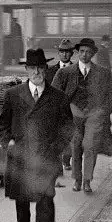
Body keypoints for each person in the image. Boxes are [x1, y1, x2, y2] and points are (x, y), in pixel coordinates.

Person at [0, 49, 74, 222]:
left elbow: (68, 127)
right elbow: (2, 123)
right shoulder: (13, 95)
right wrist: (8, 143)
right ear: (27, 70)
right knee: (22, 198)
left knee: (45, 197)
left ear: (46, 69)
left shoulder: (58, 97)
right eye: (32, 68)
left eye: (40, 67)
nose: (36, 72)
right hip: (21, 155)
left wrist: (56, 148)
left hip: (46, 157)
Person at [52, 37, 112, 193]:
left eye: (88, 52)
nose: (85, 55)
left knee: (90, 146)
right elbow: (54, 94)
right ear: (77, 52)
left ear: (93, 54)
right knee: (76, 145)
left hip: (94, 113)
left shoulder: (103, 73)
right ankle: (77, 179)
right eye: (82, 51)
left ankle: (87, 180)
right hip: (74, 112)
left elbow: (110, 95)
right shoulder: (65, 72)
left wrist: (104, 111)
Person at [46, 38, 76, 174]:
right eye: (62, 52)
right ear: (58, 53)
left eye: (67, 52)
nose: (64, 55)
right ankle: (58, 166)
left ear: (71, 54)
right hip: (56, 109)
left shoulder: (77, 71)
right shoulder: (51, 71)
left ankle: (66, 159)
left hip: (72, 109)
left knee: (70, 135)